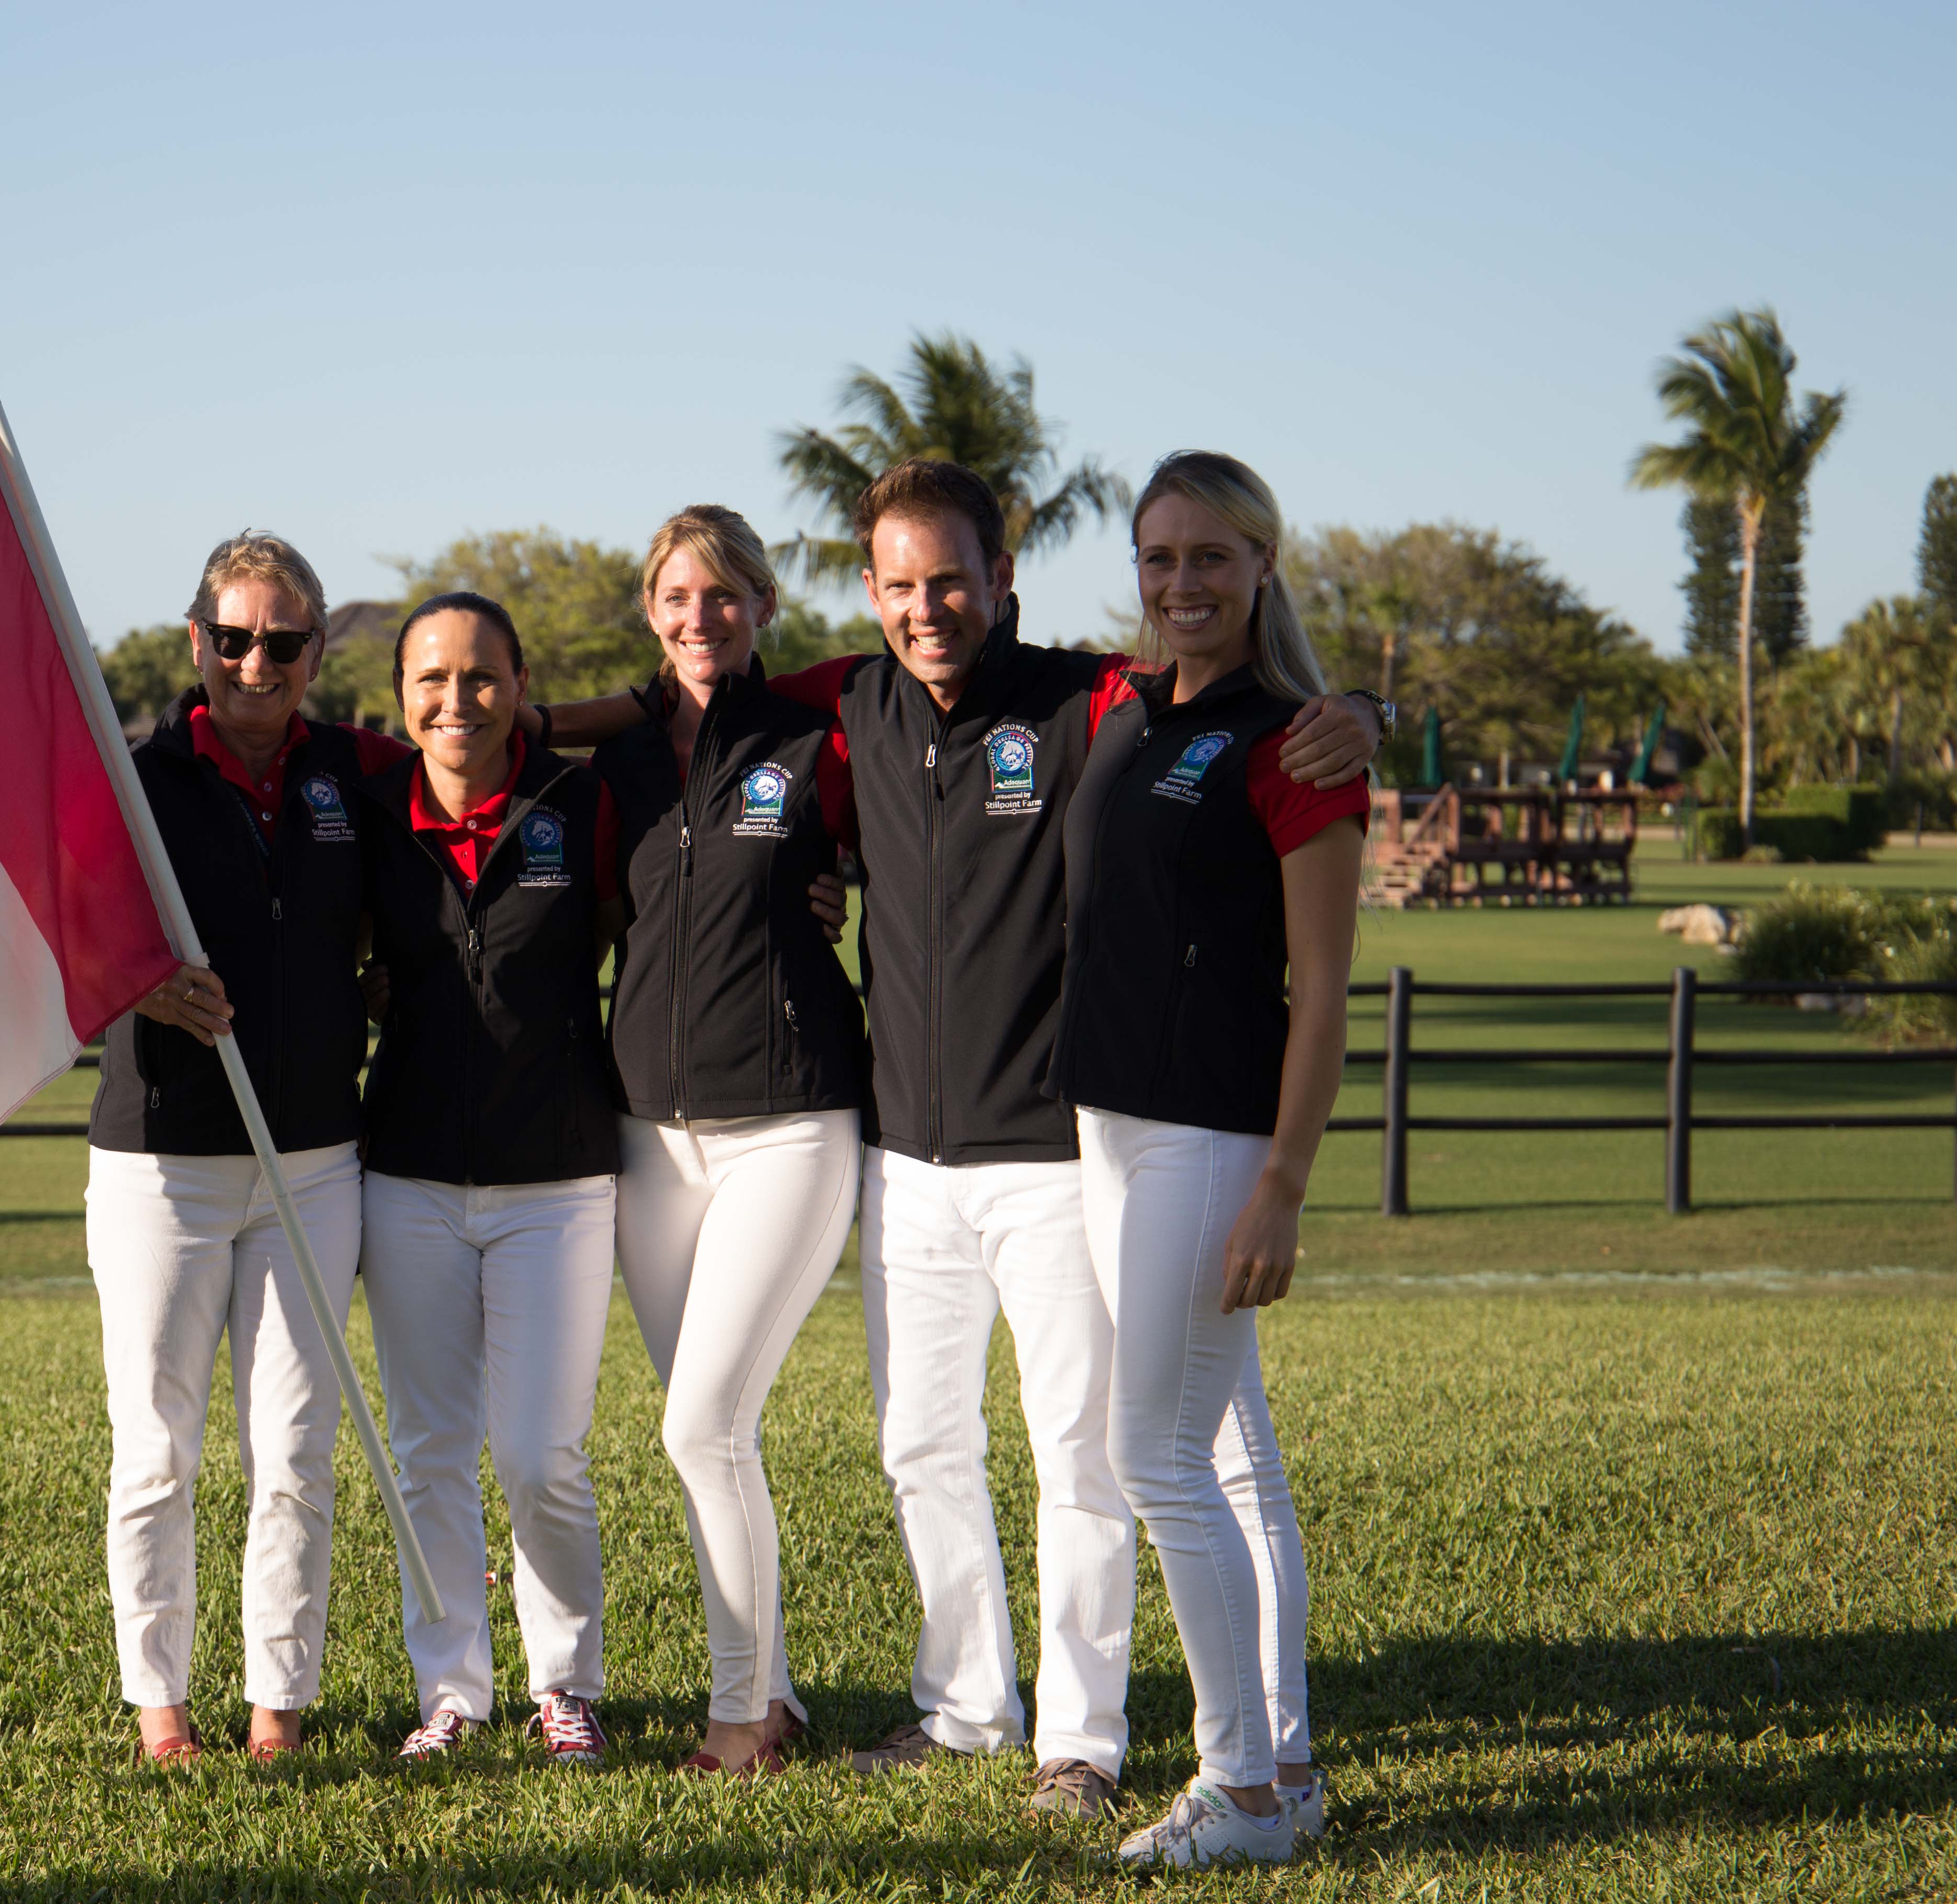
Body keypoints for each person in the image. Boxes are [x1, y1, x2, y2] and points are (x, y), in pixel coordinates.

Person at [545, 460, 1385, 1814]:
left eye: (951, 580)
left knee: (1079, 1454)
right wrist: (537, 720)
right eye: (901, 585)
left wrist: (1357, 706)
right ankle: (966, 1708)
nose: (927, 607)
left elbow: (1233, 679)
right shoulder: (851, 701)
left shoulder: (1087, 698)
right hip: (906, 1160)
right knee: (920, 1444)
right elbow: (683, 699)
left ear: (1000, 579)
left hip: (1058, 1151)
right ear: (871, 592)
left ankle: (1082, 1739)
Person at [1050, 451, 1363, 1867]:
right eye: (1159, 558)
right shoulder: (1123, 703)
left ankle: (1238, 1791)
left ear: (1261, 569)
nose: (1183, 584)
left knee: (1152, 1453)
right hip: (1111, 1124)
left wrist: (1281, 1189)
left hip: (1209, 1135)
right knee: (1230, 1453)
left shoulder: (1291, 744)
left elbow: (1323, 989)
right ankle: (1280, 1763)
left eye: (1212, 560)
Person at [85, 529, 409, 1765]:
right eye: (234, 639)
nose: (256, 662)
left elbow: (466, 801)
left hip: (315, 1165)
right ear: (197, 642)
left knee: (295, 1452)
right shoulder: (132, 780)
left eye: (282, 641)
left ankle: (279, 1705)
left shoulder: (359, 775)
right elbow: (61, 940)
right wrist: (144, 982)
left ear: (318, 648)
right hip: (161, 1167)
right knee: (157, 1449)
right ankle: (160, 1706)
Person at [587, 506, 863, 1777]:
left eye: (727, 597)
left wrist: (841, 883)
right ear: (653, 611)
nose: (703, 619)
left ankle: (740, 1718)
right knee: (710, 1440)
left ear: (762, 605)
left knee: (702, 1426)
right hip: (652, 1141)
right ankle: (781, 1695)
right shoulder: (621, 755)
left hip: (791, 1126)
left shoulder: (824, 734)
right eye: (679, 598)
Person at [354, 592, 627, 1767]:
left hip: (557, 1182)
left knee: (536, 1454)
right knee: (427, 1452)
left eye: (480, 676)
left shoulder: (584, 800)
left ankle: (567, 1683)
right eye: (431, 679)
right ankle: (453, 1690)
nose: (455, 700)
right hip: (407, 1177)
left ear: (521, 686)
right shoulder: (368, 809)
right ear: (399, 697)